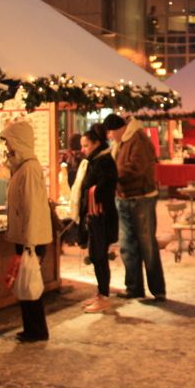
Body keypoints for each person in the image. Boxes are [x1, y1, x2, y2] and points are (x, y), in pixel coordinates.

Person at [104, 113, 166, 302]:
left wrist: (112, 174)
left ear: (119, 129)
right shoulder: (121, 142)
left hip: (141, 198)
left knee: (147, 245)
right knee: (127, 246)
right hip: (123, 198)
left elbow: (135, 168)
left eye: (111, 132)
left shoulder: (138, 139)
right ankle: (134, 288)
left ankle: (158, 290)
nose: (109, 136)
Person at [2, 120, 53, 342]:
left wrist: (31, 241)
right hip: (26, 235)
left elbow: (32, 206)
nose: (8, 148)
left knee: (30, 283)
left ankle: (37, 330)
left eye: (10, 143)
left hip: (30, 237)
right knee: (25, 282)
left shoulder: (29, 169)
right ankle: (32, 328)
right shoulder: (21, 168)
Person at [77, 125, 119, 313]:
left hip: (100, 217)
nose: (82, 149)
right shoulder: (96, 159)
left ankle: (104, 296)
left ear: (96, 143)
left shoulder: (103, 161)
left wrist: (92, 192)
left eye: (86, 145)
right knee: (95, 256)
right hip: (95, 216)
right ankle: (101, 294)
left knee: (99, 256)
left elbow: (106, 186)